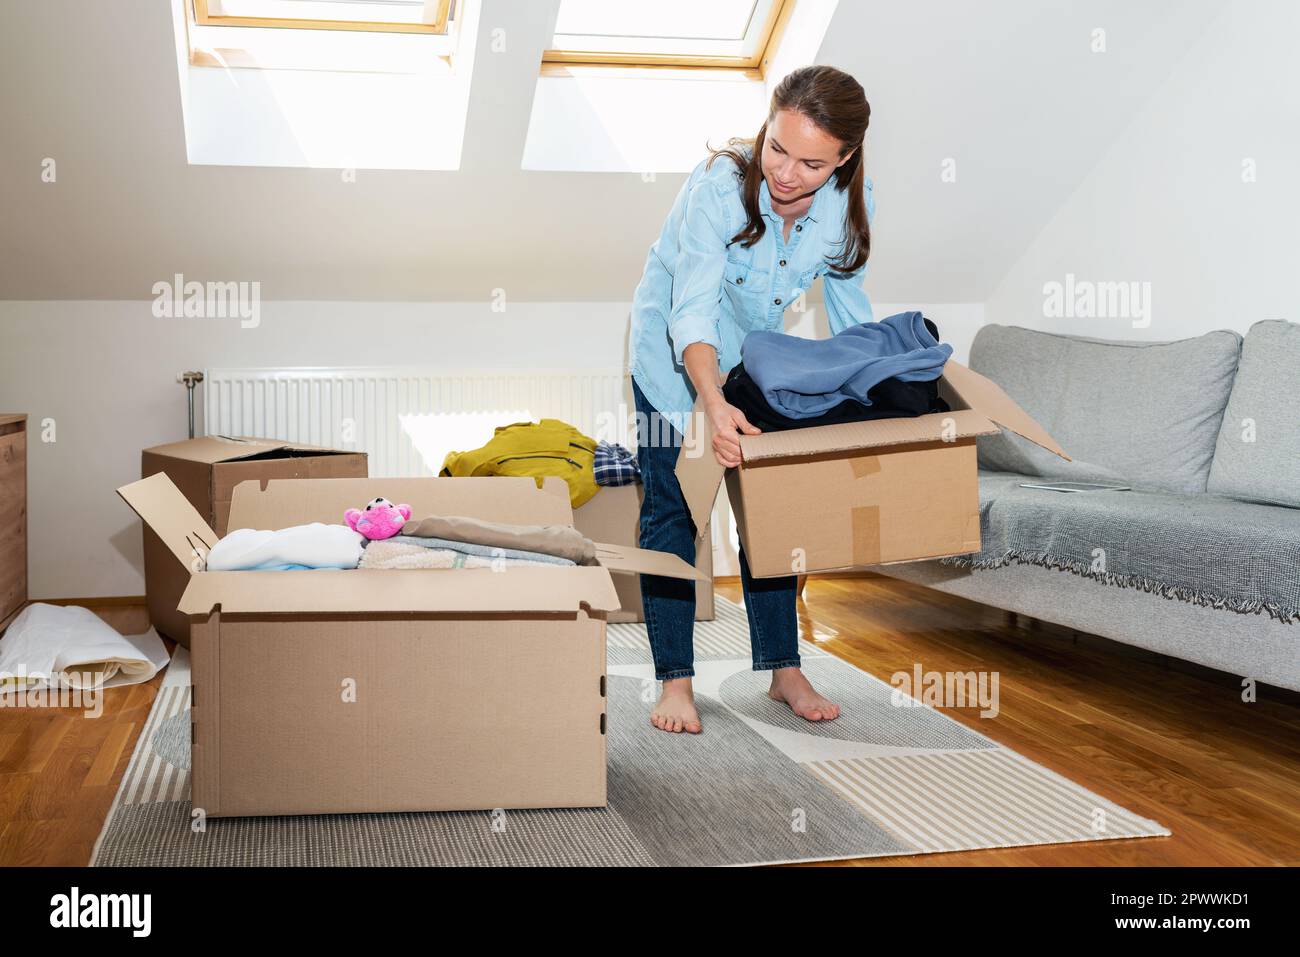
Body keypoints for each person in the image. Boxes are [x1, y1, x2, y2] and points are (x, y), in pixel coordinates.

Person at [626, 64, 877, 734]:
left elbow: (849, 311)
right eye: (777, 147)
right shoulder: (719, 189)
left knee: (774, 516)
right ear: (766, 124)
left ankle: (783, 668)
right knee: (673, 513)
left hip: (756, 361)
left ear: (845, 158)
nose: (787, 174)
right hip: (672, 354)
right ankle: (675, 681)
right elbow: (694, 310)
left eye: (812, 162)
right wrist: (711, 402)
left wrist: (869, 401)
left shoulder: (853, 201)